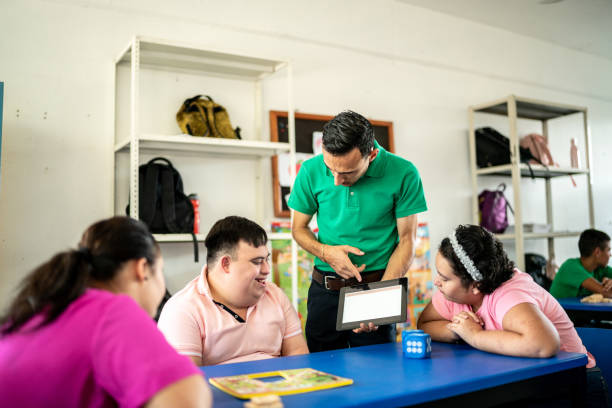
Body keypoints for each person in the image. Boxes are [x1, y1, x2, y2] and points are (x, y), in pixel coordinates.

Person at [0, 216, 212, 408]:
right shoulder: (113, 312)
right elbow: (187, 398)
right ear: (142, 269)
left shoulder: (45, 307)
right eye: (161, 270)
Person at [418, 224, 608, 407]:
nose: (437, 282)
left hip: (567, 387)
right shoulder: (455, 292)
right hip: (521, 384)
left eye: (444, 278)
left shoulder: (509, 295)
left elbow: (544, 344)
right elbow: (425, 323)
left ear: (476, 285)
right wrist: (458, 331)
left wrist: (475, 335)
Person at [287, 110, 427, 352]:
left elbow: (407, 240)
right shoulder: (309, 170)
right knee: (323, 377)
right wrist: (325, 252)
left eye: (347, 173)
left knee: (377, 375)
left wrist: (380, 298)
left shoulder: (404, 172)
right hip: (325, 290)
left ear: (371, 155)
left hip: (377, 286)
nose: (336, 181)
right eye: (330, 168)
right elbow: (298, 229)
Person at [158, 216, 308, 366]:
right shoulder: (182, 310)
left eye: (266, 259)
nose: (267, 270)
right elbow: (186, 382)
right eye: (257, 262)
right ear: (226, 264)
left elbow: (298, 355)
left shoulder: (275, 295)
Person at [550, 228, 612, 299]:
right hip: (564, 310)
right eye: (608, 250)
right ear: (597, 252)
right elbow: (607, 293)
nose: (610, 255)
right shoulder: (570, 267)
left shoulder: (601, 269)